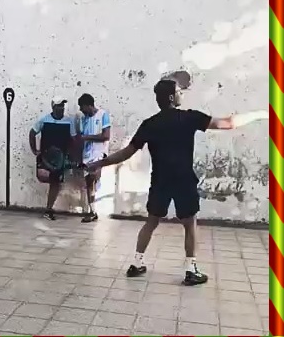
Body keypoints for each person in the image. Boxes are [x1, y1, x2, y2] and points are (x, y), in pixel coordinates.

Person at [87, 79, 268, 285]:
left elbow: (127, 152)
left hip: (160, 181)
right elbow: (228, 123)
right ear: (172, 97)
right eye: (180, 91)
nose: (182, 93)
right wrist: (260, 113)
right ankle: (191, 269)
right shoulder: (189, 117)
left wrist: (100, 163)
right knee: (190, 224)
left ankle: (136, 264)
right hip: (183, 180)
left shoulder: (150, 124)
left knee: (151, 222)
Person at [29, 96, 77, 221]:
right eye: (59, 106)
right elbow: (32, 133)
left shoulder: (69, 122)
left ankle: (48, 209)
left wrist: (72, 155)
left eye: (63, 106)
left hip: (60, 159)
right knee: (50, 181)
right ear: (53, 107)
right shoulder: (44, 120)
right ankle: (48, 208)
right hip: (46, 158)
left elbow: (73, 139)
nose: (61, 108)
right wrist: (35, 150)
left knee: (55, 183)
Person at [77, 93, 111, 223]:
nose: (81, 110)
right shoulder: (83, 119)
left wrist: (87, 137)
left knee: (93, 178)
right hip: (86, 155)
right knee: (89, 183)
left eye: (82, 107)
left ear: (88, 105)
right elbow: (81, 138)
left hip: (98, 154)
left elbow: (106, 136)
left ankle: (93, 211)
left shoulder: (103, 115)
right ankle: (92, 211)